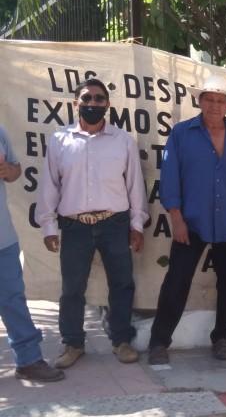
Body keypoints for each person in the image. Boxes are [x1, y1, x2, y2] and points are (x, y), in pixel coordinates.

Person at [35, 79, 148, 368]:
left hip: (115, 224)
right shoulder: (60, 140)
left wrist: (136, 225)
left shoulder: (123, 141)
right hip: (74, 227)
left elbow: (135, 187)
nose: (93, 104)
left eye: (99, 99)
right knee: (72, 289)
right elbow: (49, 187)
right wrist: (48, 226)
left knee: (122, 285)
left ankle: (121, 340)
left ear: (107, 105)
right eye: (87, 98)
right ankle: (72, 343)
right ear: (76, 103)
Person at [148, 75, 226, 364]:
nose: (214, 104)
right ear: (200, 102)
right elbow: (169, 177)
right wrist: (176, 217)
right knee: (176, 282)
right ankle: (159, 343)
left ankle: (222, 339)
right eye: (208, 99)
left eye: (220, 100)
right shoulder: (181, 133)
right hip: (192, 223)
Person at [1, 127, 65, 382]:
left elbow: (15, 169)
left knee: (13, 299)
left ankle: (28, 360)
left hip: (3, 238)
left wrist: (10, 172)